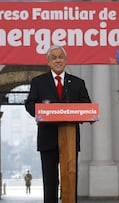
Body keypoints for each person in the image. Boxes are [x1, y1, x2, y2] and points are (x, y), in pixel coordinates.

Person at [25, 45, 91, 203]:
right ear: (48, 62)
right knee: (50, 182)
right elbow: (29, 104)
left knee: (70, 178)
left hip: (70, 139)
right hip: (48, 138)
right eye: (53, 57)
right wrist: (42, 111)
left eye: (60, 56)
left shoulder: (77, 83)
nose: (57, 60)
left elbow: (86, 105)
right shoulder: (38, 82)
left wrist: (77, 114)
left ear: (66, 60)